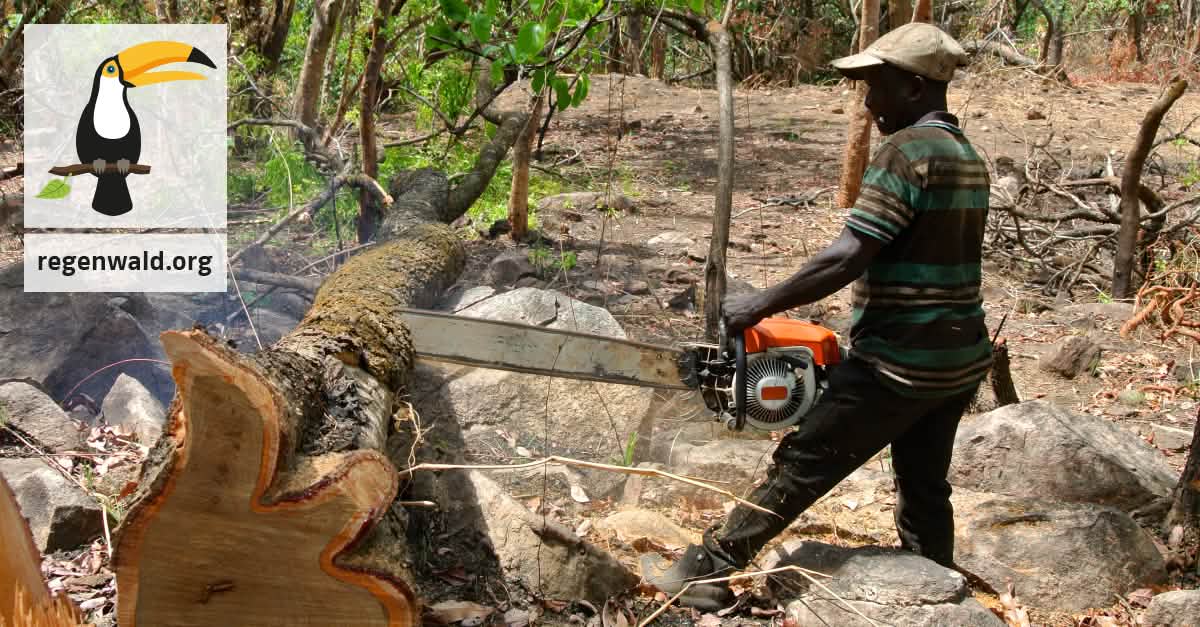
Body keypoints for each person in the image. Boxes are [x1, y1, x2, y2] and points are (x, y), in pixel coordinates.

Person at [647, 22, 993, 610]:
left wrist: (760, 303)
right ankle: (936, 586)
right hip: (956, 359)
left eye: (876, 87)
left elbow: (850, 254)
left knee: (804, 461)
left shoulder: (906, 152)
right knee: (925, 484)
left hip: (899, 362)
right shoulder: (966, 154)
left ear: (913, 88)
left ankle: (706, 570)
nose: (868, 101)